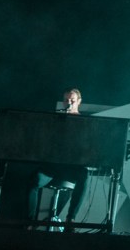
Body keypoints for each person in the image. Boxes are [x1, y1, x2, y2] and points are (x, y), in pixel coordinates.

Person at [27, 87, 89, 231]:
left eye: (72, 100)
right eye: (66, 100)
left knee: (84, 175)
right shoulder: (55, 120)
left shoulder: (85, 122)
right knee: (34, 178)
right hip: (52, 167)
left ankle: (70, 219)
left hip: (71, 168)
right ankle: (30, 221)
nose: (69, 103)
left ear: (79, 102)